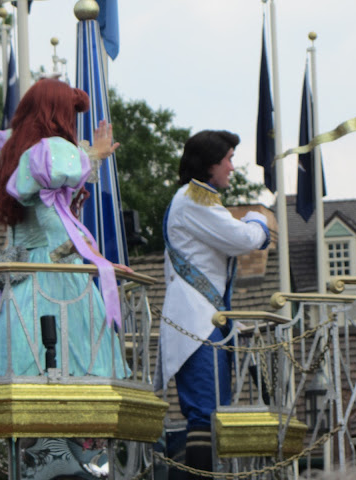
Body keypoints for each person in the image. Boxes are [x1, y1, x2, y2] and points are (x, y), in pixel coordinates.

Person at [0, 77, 130, 381]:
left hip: (17, 266)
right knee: (69, 363)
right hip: (52, 275)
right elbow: (58, 231)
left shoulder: (11, 151)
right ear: (57, 114)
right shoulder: (48, 153)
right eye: (69, 114)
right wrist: (95, 259)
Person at [154, 130, 270, 477]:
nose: (232, 168)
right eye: (229, 159)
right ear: (210, 165)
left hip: (205, 320)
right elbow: (242, 239)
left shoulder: (196, 199)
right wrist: (258, 220)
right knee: (203, 412)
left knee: (211, 411)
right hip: (197, 323)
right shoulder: (194, 200)